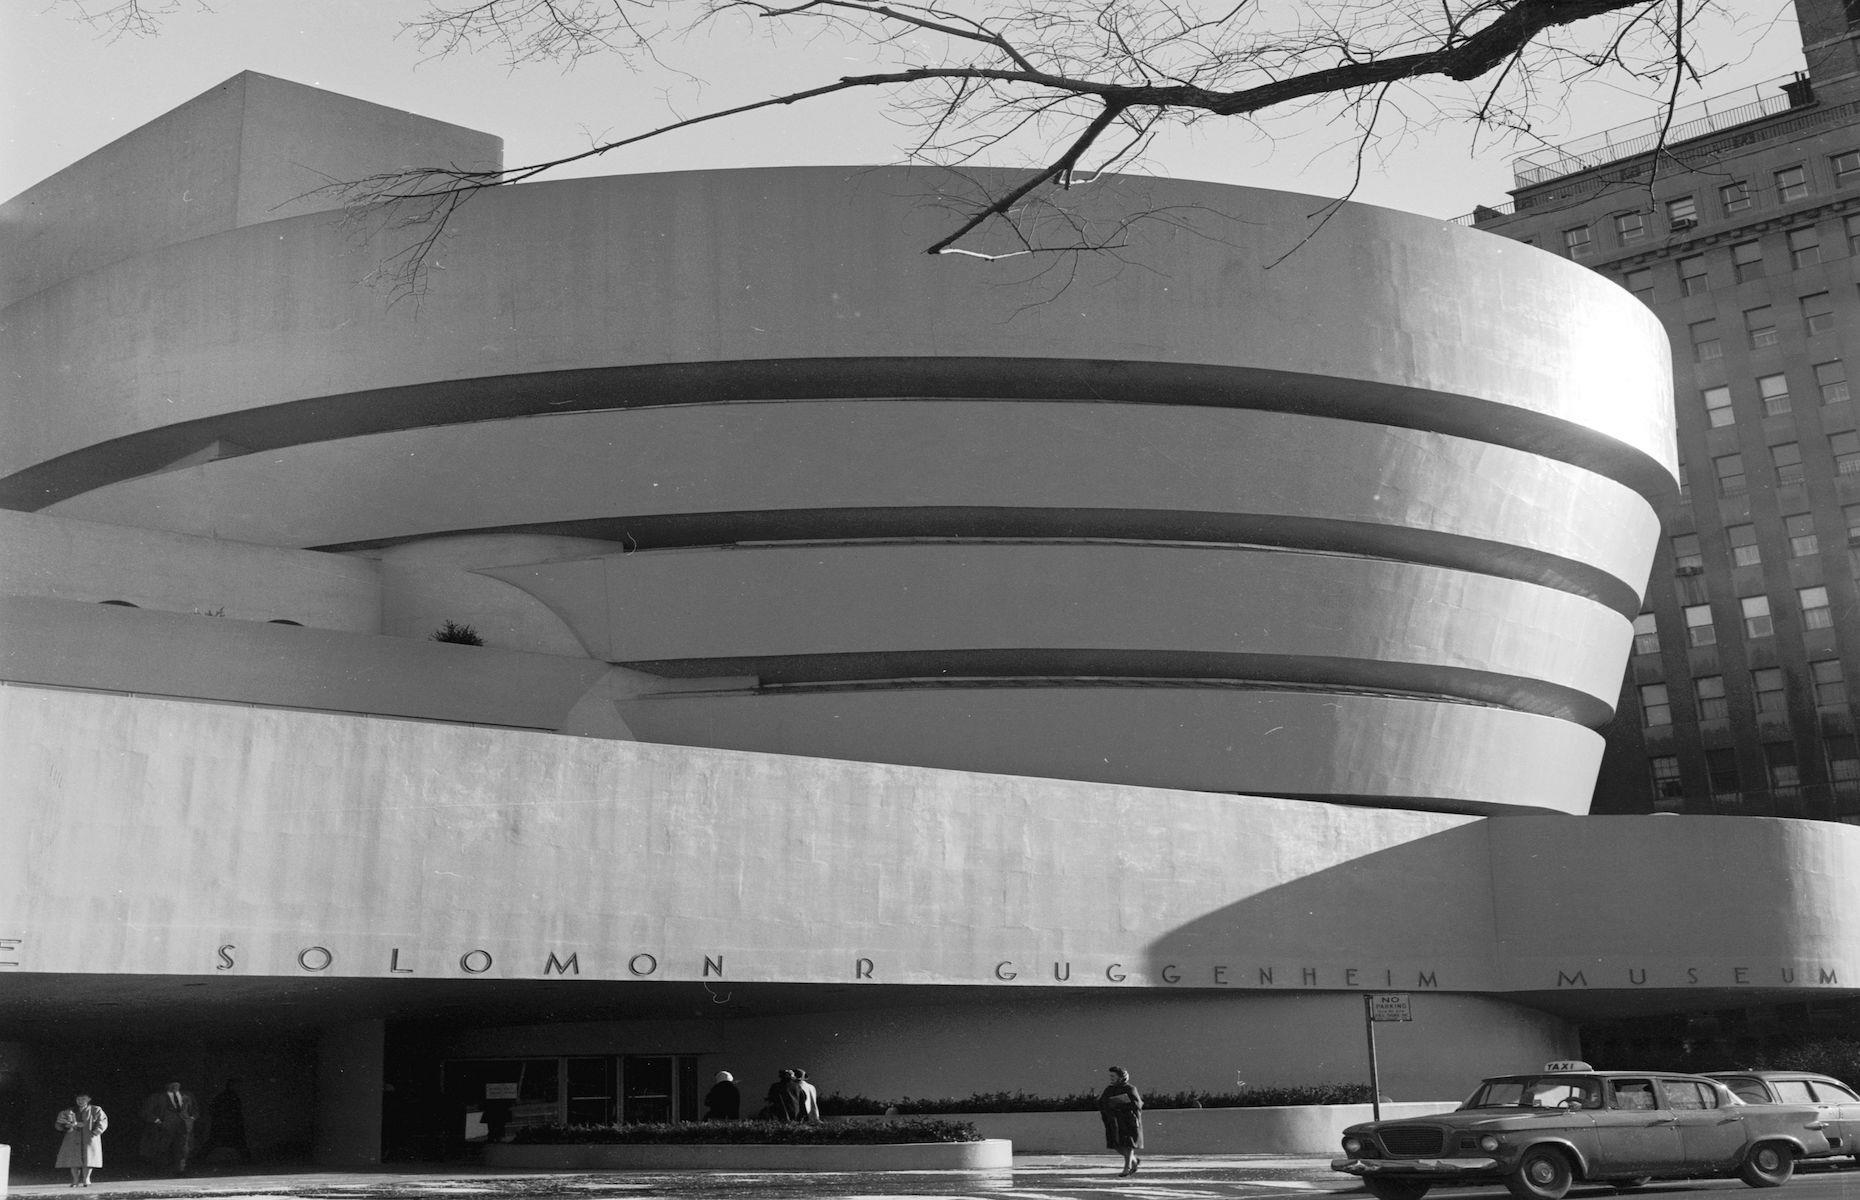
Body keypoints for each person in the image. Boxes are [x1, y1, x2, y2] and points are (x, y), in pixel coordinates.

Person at [140, 1081, 199, 1175]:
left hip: (183, 1127)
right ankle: (162, 1171)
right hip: (164, 1128)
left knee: (182, 1148)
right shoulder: (157, 1097)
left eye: (177, 1083)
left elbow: (195, 1110)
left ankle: (180, 1170)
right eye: (172, 1083)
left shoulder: (187, 1095)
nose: (175, 1085)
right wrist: (158, 1121)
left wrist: (191, 1119)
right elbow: (146, 1112)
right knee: (163, 1148)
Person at [1099, 1065, 1144, 1177]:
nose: (1111, 1078)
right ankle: (1133, 1160)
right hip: (1114, 1121)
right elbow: (1102, 1102)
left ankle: (1127, 1168)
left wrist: (1121, 1105)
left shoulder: (1130, 1088)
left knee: (1128, 1144)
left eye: (1113, 1076)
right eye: (1110, 1076)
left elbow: (1138, 1104)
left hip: (1128, 1121)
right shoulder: (1109, 1089)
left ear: (1121, 1077)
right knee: (1116, 1145)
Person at [54, 1093, 107, 1188]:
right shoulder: (68, 1111)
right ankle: (75, 1180)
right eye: (78, 1099)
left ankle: (87, 1179)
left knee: (88, 1158)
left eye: (83, 1099)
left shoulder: (96, 1109)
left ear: (89, 1099)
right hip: (73, 1137)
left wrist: (95, 1132)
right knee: (74, 1159)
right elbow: (59, 1124)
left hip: (89, 1137)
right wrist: (67, 1126)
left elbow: (102, 1121)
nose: (80, 1101)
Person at [197, 1078, 252, 1163]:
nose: (239, 1087)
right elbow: (232, 1111)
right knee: (238, 1142)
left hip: (225, 1124)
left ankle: (198, 1159)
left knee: (215, 1142)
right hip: (228, 1125)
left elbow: (213, 1109)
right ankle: (248, 1159)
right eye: (236, 1085)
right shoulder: (229, 1096)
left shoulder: (225, 1096)